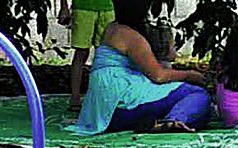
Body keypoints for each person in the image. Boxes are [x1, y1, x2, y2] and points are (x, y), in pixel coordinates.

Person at [71, 12, 211, 134]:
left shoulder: (111, 28)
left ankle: (154, 122)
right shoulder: (132, 36)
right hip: (121, 105)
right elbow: (158, 76)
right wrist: (189, 75)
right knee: (198, 95)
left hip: (102, 112)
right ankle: (172, 121)